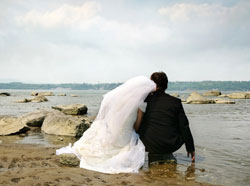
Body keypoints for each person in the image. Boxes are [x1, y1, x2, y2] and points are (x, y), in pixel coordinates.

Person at [56, 76, 156, 174]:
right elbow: (137, 127)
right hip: (124, 138)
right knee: (133, 142)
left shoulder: (119, 100)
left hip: (112, 134)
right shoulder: (141, 106)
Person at [138, 72, 195, 165]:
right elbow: (184, 126)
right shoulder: (175, 102)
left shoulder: (145, 101)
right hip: (171, 145)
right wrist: (190, 148)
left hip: (150, 144)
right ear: (166, 85)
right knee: (179, 124)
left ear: (152, 85)